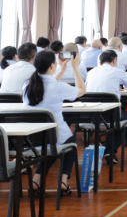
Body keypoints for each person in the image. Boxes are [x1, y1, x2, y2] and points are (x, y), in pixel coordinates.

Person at [25, 49, 85, 195]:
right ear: (52, 66)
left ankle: (36, 180)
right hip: (54, 137)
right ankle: (63, 181)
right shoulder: (59, 87)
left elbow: (48, 84)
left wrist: (61, 70)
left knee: (52, 146)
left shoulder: (27, 85)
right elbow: (81, 90)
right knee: (69, 144)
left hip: (31, 138)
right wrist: (75, 68)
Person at [86, 50, 127, 164]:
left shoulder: (91, 72)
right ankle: (109, 148)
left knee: (116, 122)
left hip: (91, 114)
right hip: (111, 114)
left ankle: (108, 147)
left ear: (100, 61)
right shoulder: (118, 71)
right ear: (114, 60)